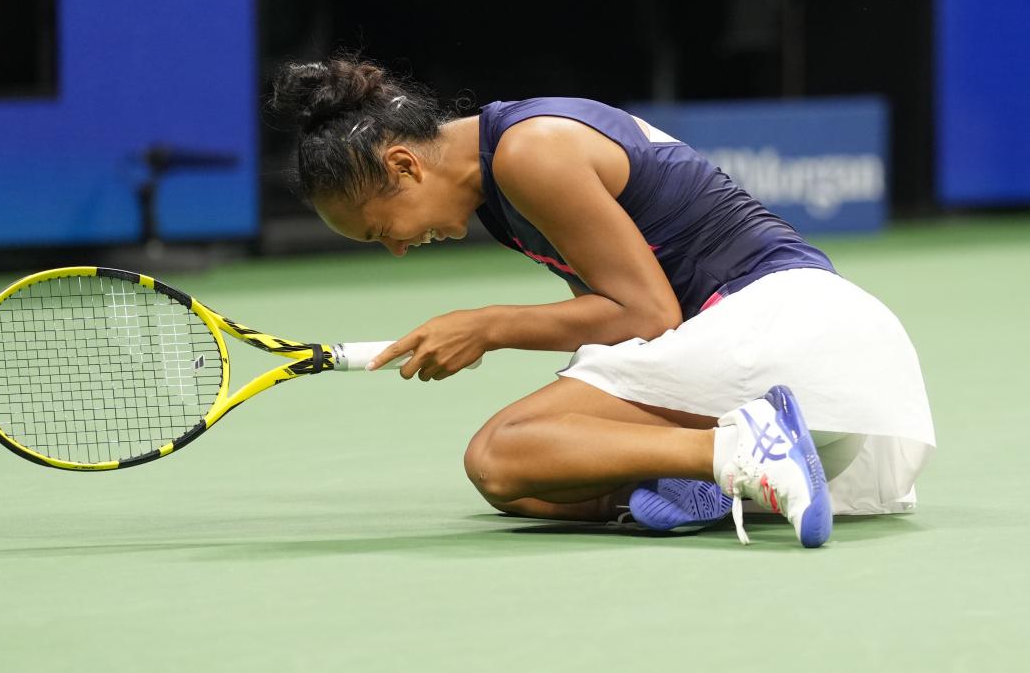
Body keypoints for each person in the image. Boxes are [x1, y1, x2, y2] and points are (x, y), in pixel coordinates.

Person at [269, 53, 935, 548]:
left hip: (787, 326)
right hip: (838, 390)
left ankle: (733, 456)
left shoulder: (529, 151)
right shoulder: (502, 191)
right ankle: (706, 477)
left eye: (384, 229)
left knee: (498, 455)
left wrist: (487, 325)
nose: (396, 248)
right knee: (529, 486)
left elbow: (646, 316)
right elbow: (627, 328)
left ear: (404, 166)